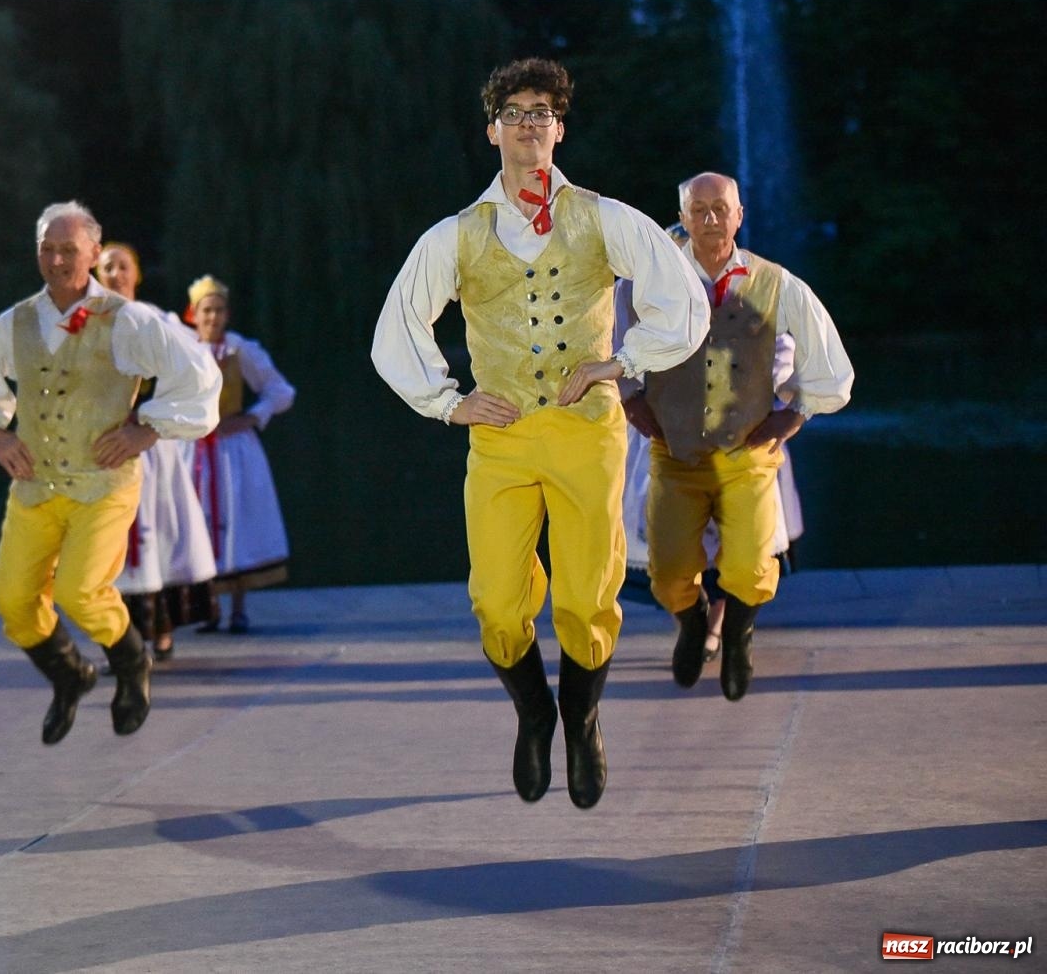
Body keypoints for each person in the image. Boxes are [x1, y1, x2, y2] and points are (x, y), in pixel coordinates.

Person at [372, 57, 709, 809]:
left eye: (542, 111)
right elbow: (396, 330)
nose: (529, 122)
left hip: (586, 435)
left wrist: (619, 364)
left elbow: (682, 302)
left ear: (560, 128)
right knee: (495, 602)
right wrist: (446, 401)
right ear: (492, 129)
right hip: (500, 437)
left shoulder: (602, 216)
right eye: (515, 111)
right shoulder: (456, 235)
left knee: (589, 597)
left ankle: (583, 719)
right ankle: (534, 712)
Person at [0, 202, 220, 745]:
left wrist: (147, 429)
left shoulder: (129, 321)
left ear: (94, 252)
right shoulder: (16, 321)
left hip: (102, 485)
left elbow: (199, 379)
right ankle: (69, 675)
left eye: (68, 249)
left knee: (79, 590)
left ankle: (132, 661)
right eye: (47, 248)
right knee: (15, 606)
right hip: (35, 485)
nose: (56, 259)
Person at [623, 172, 853, 700]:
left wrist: (792, 415)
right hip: (675, 449)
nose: (709, 220)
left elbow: (823, 366)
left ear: (739, 214)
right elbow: (612, 341)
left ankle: (736, 635)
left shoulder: (775, 284)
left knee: (749, 561)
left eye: (719, 209)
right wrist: (630, 399)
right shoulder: (647, 284)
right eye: (697, 210)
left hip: (746, 452)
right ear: (680, 217)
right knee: (668, 569)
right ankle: (692, 620)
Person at [95, 242, 219, 661]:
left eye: (122, 266)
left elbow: (194, 373)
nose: (115, 273)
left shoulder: (158, 323)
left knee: (160, 536)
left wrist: (150, 418)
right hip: (102, 451)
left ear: (136, 273)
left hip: (149, 449)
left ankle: (162, 631)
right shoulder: (86, 328)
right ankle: (118, 642)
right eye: (107, 267)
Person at [182, 275, 296, 634]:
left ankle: (239, 608)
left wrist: (251, 417)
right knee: (199, 521)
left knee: (237, 521)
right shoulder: (183, 350)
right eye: (206, 311)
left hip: (232, 448)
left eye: (217, 311)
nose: (212, 318)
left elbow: (280, 391)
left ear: (226, 314)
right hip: (194, 447)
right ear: (194, 314)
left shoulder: (239, 350)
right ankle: (209, 606)